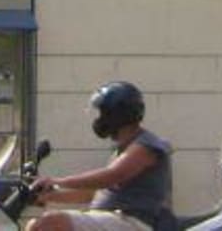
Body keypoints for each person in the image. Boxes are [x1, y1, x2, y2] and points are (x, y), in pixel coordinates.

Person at [31, 80, 173, 231]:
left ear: (116, 115)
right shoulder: (121, 149)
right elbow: (93, 194)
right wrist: (49, 195)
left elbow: (112, 175)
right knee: (35, 224)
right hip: (112, 220)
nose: (98, 119)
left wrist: (57, 181)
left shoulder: (146, 146)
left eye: (102, 113)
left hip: (131, 222)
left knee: (49, 223)